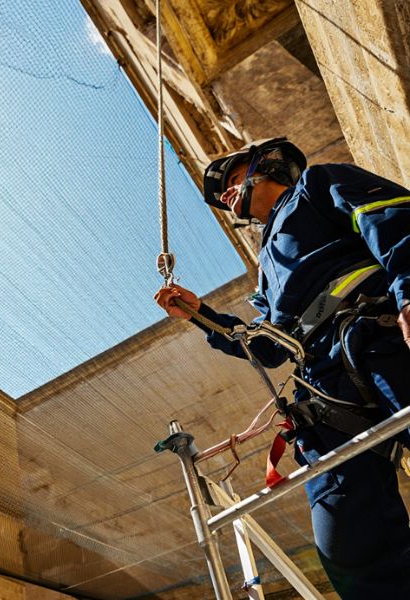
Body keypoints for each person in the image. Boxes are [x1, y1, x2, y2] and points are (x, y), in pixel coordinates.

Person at [154, 138, 410, 599]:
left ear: (267, 164)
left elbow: (389, 218)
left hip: (378, 335)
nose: (225, 196)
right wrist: (200, 315)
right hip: (325, 387)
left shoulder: (317, 185)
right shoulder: (266, 270)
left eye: (231, 180)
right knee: (347, 542)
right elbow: (267, 349)